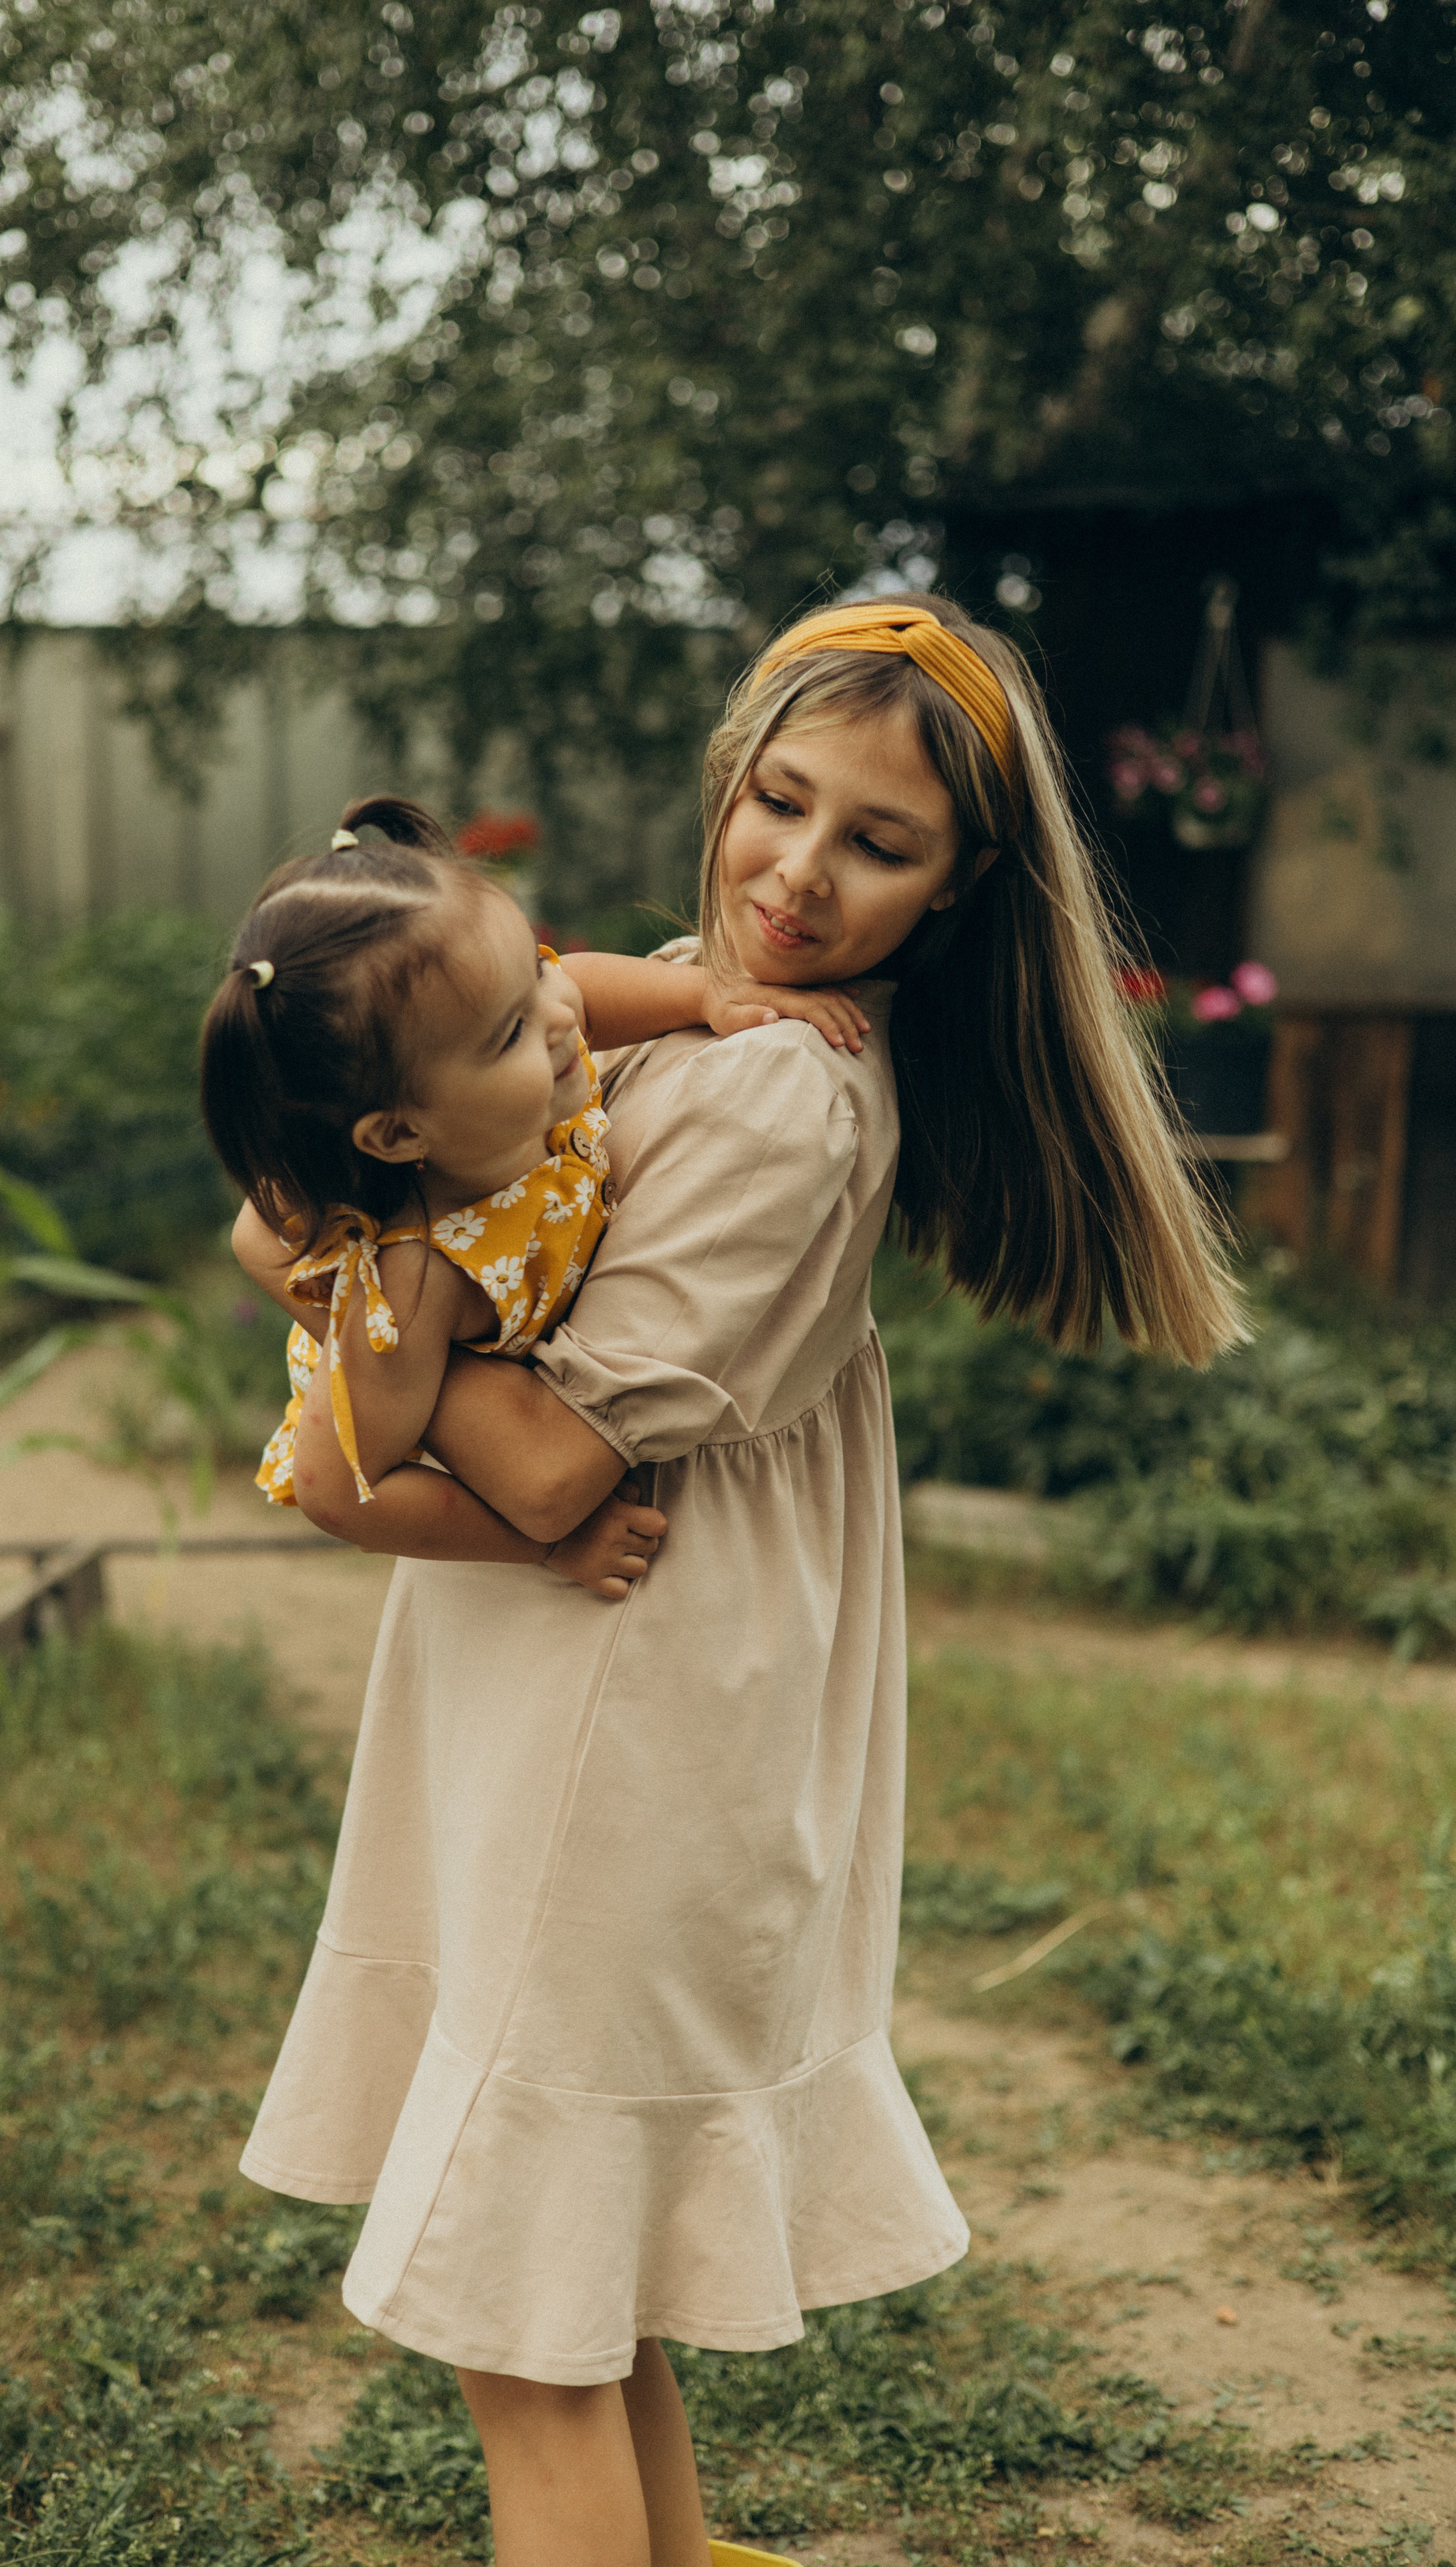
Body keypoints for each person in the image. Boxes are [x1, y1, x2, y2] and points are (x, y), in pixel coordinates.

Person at [224, 598, 1245, 2567]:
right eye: (779, 800)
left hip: (628, 1714)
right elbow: (427, 1114)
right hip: (584, 1699)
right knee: (572, 2293)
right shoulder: (678, 1007)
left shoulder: (780, 1096)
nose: (798, 869)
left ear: (955, 893)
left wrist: (391, 1283)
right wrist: (368, 1214)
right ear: (729, 782)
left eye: (877, 841)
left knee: (520, 2345)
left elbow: (559, 1467)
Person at [202, 798, 868, 1595]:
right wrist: (541, 1548)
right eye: (510, 1031)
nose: (559, 1015)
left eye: (536, 966)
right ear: (398, 1135)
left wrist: (702, 998)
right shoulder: (413, 1289)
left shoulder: (516, 1082)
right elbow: (337, 1491)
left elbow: (579, 990)